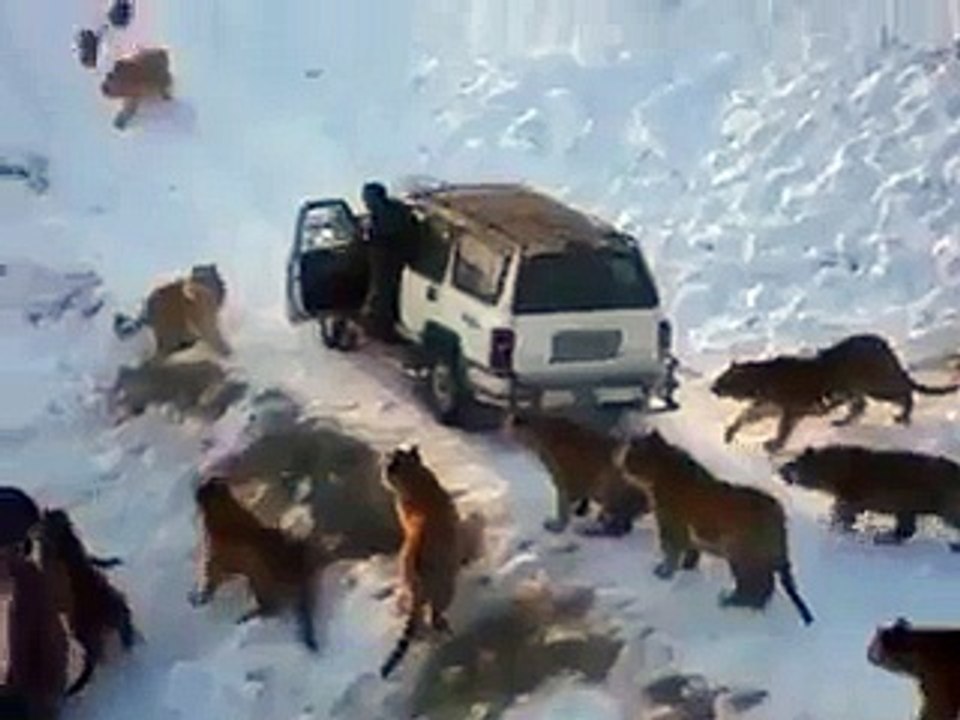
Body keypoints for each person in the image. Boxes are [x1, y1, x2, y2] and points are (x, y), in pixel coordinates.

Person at [360, 181, 418, 342]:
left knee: (383, 294)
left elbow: (377, 237)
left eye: (366, 199)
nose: (365, 203)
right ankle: (385, 326)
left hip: (388, 260)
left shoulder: (383, 216)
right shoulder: (397, 209)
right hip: (402, 258)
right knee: (388, 293)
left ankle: (383, 329)